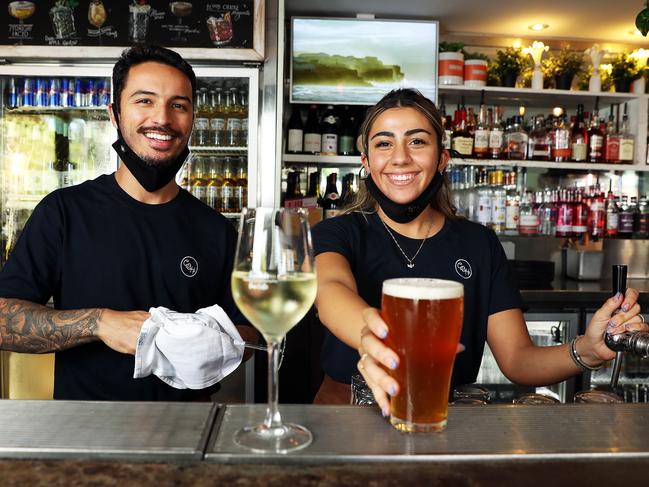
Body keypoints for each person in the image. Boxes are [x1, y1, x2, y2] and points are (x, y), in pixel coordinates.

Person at [311, 88, 646, 411]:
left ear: (441, 158)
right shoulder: (337, 233)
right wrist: (376, 336)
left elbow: (518, 359)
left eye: (417, 141)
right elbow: (331, 289)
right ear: (366, 162)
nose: (400, 158)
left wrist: (586, 350)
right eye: (384, 144)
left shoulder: (478, 244)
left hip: (443, 418)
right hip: (349, 415)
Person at [0, 45, 255, 401]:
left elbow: (246, 332)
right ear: (115, 114)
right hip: (89, 435)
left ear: (192, 119)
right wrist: (99, 323)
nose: (163, 119)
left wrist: (211, 344)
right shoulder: (64, 212)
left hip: (191, 434)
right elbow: (3, 320)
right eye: (145, 101)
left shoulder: (216, 230)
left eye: (178, 105)